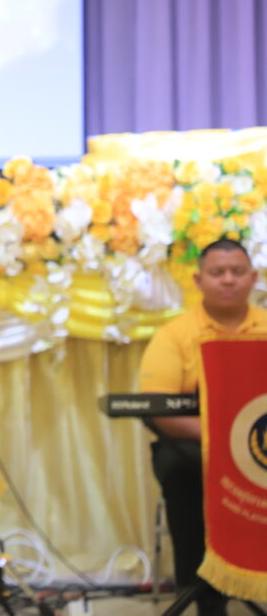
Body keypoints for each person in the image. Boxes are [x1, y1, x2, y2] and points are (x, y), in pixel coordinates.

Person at [139, 238, 266, 615]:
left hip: (262, 448)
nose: (228, 280)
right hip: (197, 452)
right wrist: (223, 440)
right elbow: (158, 410)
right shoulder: (174, 335)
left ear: (253, 278)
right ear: (198, 280)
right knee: (180, 470)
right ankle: (204, 595)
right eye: (217, 272)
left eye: (237, 272)